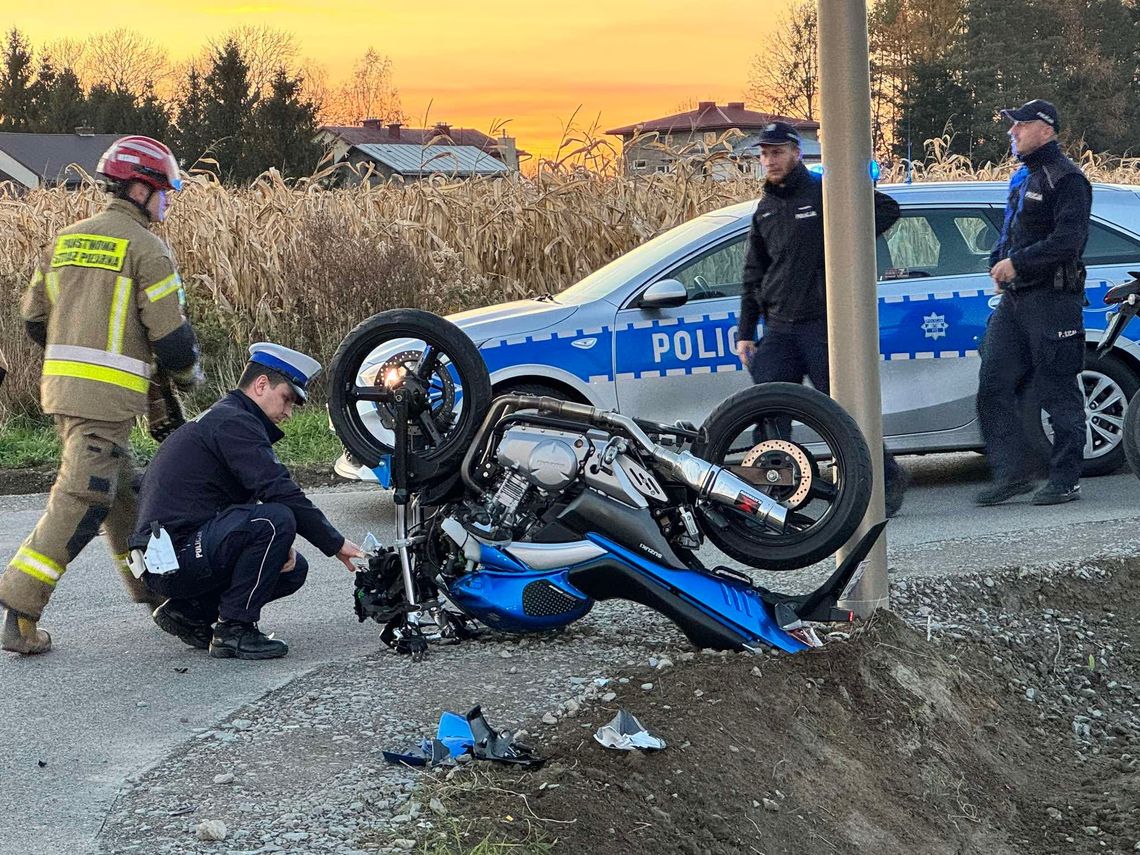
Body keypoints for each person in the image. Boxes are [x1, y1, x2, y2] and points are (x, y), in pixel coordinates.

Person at [0, 136, 201, 656]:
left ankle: (152, 589)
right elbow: (173, 341)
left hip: (65, 393)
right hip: (104, 404)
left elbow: (33, 319)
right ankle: (20, 613)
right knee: (82, 500)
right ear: (139, 189)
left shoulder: (63, 241)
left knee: (123, 494)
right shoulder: (146, 249)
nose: (167, 202)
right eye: (163, 191)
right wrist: (188, 378)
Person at [132, 343, 365, 661]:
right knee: (275, 519)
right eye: (287, 399)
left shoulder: (225, 417)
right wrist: (335, 543)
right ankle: (234, 630)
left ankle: (188, 612)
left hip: (171, 556)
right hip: (175, 557)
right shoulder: (234, 423)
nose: (288, 413)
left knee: (292, 568)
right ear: (261, 385)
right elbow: (279, 491)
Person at [735, 121, 908, 517]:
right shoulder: (765, 208)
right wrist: (747, 331)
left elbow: (886, 209)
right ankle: (770, 488)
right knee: (768, 408)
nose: (769, 160)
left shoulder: (823, 191)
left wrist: (847, 241)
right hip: (778, 327)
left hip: (823, 325)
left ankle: (885, 481)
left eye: (776, 152)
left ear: (796, 152)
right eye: (764, 154)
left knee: (845, 408)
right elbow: (753, 273)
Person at [975, 100, 1091, 507]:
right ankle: (1014, 473)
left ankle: (1065, 479)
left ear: (1046, 128)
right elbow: (1011, 233)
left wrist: (1017, 262)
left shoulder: (1068, 179)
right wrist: (998, 261)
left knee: (1057, 390)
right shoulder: (1021, 177)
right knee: (992, 384)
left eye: (1020, 126)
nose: (1012, 132)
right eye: (1012, 126)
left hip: (1053, 301)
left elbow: (1068, 242)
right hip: (1016, 301)